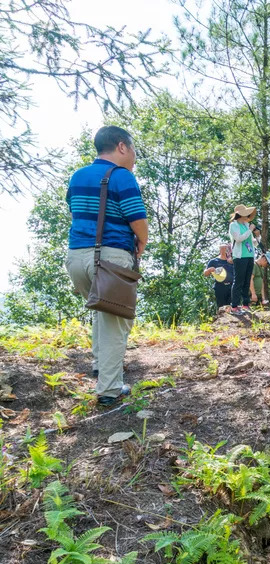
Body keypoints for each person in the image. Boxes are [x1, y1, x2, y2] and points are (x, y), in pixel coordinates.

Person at [65, 126, 148, 407]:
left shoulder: (78, 176)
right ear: (122, 147)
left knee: (102, 312)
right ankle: (110, 390)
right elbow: (137, 218)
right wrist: (142, 242)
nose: (135, 156)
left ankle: (102, 368)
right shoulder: (122, 176)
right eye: (134, 149)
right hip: (111, 257)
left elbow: (76, 211)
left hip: (76, 258)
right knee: (117, 320)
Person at [229, 204, 258, 313]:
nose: (248, 216)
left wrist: (257, 236)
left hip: (250, 256)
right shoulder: (234, 225)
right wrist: (250, 230)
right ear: (241, 215)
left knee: (247, 281)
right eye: (247, 214)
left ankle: (245, 304)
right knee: (238, 281)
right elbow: (239, 238)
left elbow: (253, 243)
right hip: (240, 256)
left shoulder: (246, 225)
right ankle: (234, 306)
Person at [203, 245, 234, 312]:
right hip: (220, 287)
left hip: (232, 286)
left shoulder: (232, 261)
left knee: (232, 307)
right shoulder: (214, 261)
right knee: (221, 307)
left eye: (226, 249)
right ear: (220, 250)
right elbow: (205, 273)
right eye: (223, 249)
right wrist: (209, 270)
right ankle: (222, 320)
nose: (225, 250)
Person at [249, 227, 270, 307]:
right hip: (252, 296)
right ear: (263, 258)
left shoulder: (260, 268)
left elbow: (261, 283)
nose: (266, 266)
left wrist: (263, 297)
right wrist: (253, 294)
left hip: (259, 297)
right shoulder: (254, 265)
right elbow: (250, 279)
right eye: (267, 263)